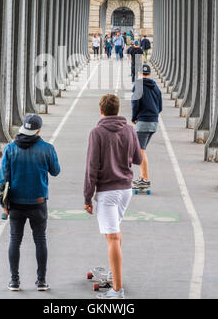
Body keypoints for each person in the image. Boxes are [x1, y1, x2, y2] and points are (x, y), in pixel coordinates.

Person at [84, 95, 142, 299]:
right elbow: (138, 158)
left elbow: (92, 168)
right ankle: (114, 273)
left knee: (112, 237)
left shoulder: (97, 132)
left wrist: (87, 197)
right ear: (117, 110)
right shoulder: (129, 130)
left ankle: (117, 290)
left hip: (107, 192)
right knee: (115, 233)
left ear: (101, 111)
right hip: (126, 190)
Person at [0, 114, 61, 292]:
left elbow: (3, 179)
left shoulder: (10, 149)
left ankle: (14, 281)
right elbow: (55, 171)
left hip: (16, 203)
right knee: (40, 240)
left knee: (15, 240)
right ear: (38, 130)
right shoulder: (47, 149)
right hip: (38, 203)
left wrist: (3, 204)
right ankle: (41, 281)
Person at [131, 64, 162, 190]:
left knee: (140, 151)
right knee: (141, 150)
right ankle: (143, 177)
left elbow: (135, 103)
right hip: (153, 122)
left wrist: (134, 117)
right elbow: (160, 106)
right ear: (149, 74)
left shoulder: (138, 86)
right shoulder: (155, 87)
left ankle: (145, 179)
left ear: (139, 74)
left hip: (143, 121)